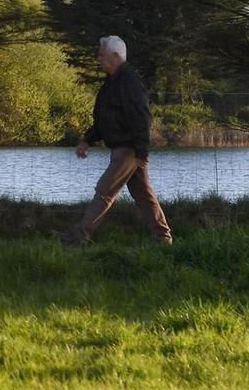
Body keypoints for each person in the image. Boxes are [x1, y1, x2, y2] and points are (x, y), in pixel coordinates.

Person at [61, 35, 172, 246]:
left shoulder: (129, 81)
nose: (98, 58)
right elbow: (105, 118)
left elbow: (142, 117)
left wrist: (141, 152)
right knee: (143, 194)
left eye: (101, 54)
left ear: (115, 55)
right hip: (127, 148)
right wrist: (87, 140)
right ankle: (162, 237)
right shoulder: (112, 82)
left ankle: (80, 236)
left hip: (128, 149)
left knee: (105, 190)